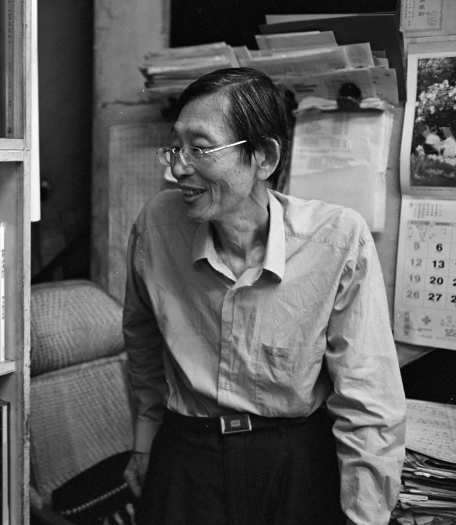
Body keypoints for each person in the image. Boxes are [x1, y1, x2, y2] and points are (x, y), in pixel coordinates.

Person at [121, 67, 406, 525]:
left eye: (200, 148)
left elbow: (367, 398)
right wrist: (143, 440)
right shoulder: (157, 224)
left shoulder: (336, 241)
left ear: (264, 157)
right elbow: (143, 343)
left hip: (293, 459)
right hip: (186, 453)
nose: (178, 168)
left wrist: (365, 516)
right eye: (176, 147)